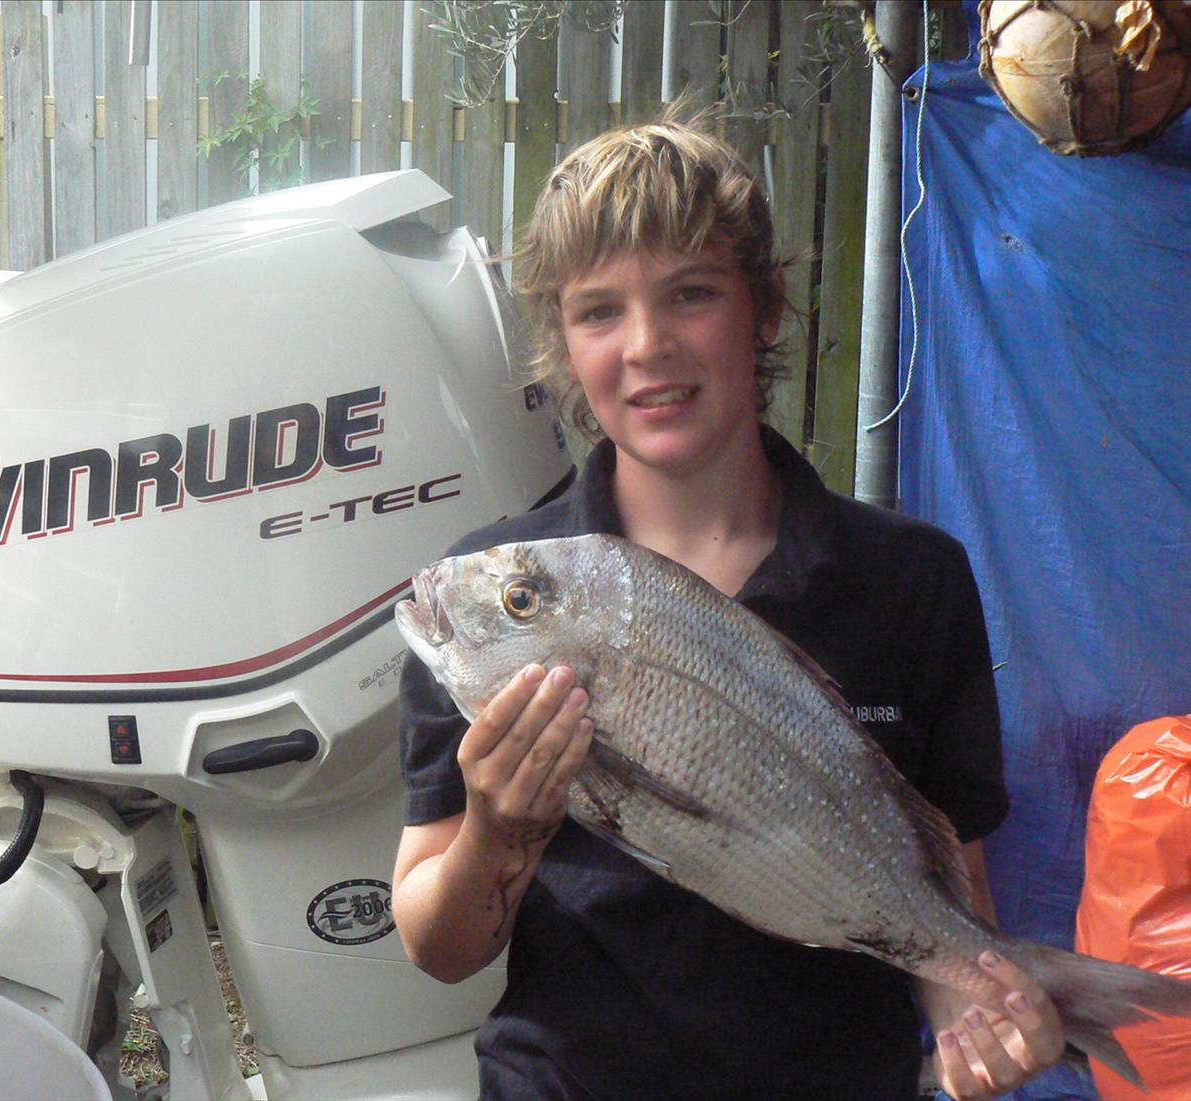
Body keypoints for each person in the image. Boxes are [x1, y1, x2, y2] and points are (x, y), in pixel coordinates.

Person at [391, 111, 1066, 1100]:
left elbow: (941, 901)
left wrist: (979, 1015)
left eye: (691, 293)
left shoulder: (908, 580)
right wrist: (498, 830)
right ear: (564, 347)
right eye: (597, 312)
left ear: (767, 306)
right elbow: (437, 950)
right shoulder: (493, 589)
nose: (647, 345)